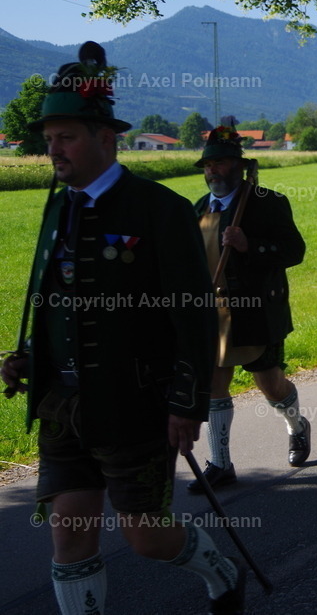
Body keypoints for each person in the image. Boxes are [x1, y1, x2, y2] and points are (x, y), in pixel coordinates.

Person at [0, 42, 245, 614]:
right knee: (70, 533)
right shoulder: (56, 208)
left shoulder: (157, 209)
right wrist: (30, 355)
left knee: (148, 537)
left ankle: (220, 570)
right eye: (49, 137)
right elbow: (56, 302)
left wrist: (187, 403)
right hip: (63, 404)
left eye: (67, 137)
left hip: (135, 406)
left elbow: (193, 311)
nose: (53, 149)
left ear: (106, 139)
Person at [189, 119, 308, 494]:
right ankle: (220, 464)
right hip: (214, 314)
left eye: (220, 163)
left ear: (238, 166)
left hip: (257, 312)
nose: (213, 171)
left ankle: (296, 426)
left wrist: (249, 246)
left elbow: (294, 251)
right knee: (214, 384)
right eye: (208, 165)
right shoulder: (198, 209)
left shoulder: (267, 204)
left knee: (270, 385)